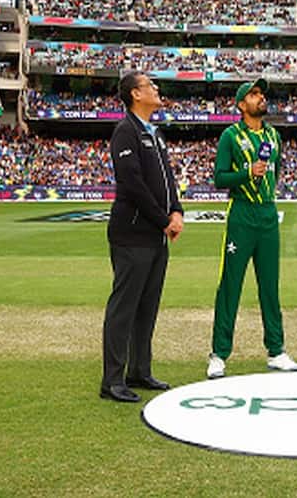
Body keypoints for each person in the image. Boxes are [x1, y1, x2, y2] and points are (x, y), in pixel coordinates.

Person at [206, 77, 297, 379]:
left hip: (268, 215)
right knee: (230, 285)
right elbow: (219, 178)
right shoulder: (230, 136)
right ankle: (219, 354)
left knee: (270, 287)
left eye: (262, 93)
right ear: (241, 104)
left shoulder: (273, 135)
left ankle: (276, 350)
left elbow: (277, 168)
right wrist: (247, 172)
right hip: (242, 216)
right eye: (254, 94)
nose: (261, 98)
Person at [100, 71, 183, 403]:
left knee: (147, 307)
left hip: (155, 238)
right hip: (132, 234)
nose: (156, 89)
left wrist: (177, 210)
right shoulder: (125, 131)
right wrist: (164, 220)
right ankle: (112, 381)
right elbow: (132, 184)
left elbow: (167, 180)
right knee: (124, 308)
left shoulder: (155, 133)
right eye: (150, 85)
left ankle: (139, 370)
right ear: (135, 94)